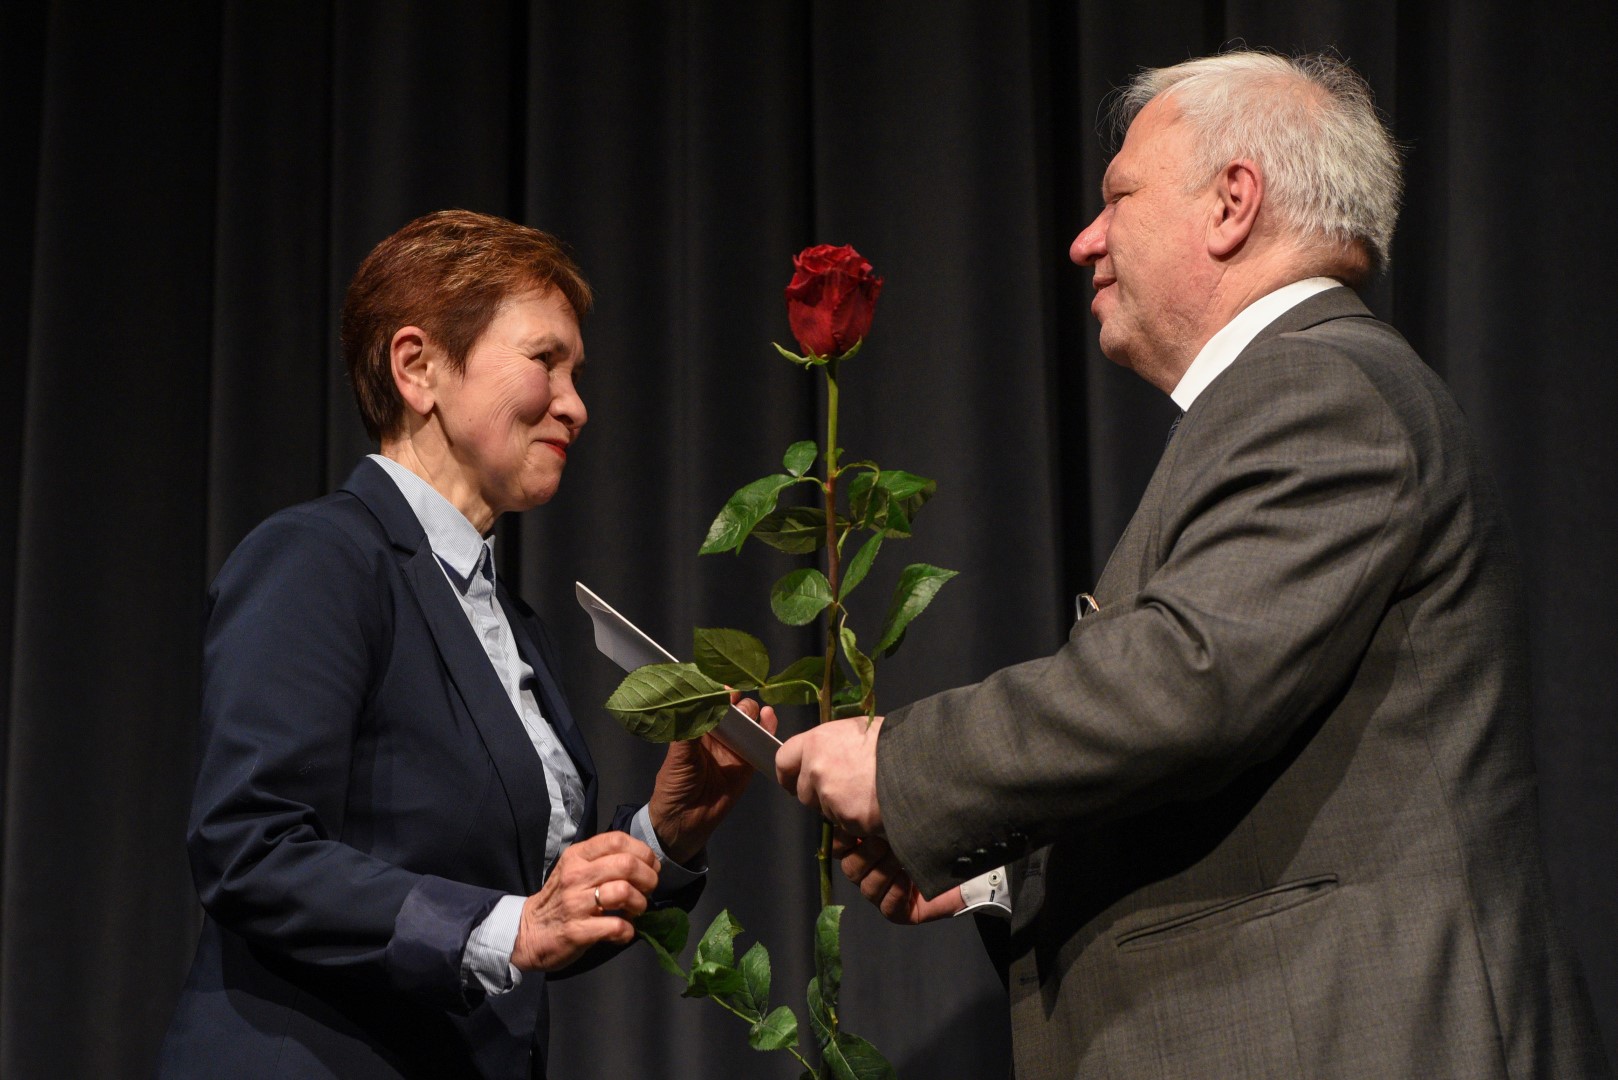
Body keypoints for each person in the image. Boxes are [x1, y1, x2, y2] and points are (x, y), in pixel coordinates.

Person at [775, 51, 1611, 1078]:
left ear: (1231, 203)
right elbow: (1266, 785)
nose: (1084, 240)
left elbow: (1188, 677)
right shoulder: (1314, 385)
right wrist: (1000, 873)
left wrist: (901, 763)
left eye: (1118, 196)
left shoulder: (1318, 387)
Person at [157, 210, 769, 1079]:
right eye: (546, 360)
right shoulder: (319, 558)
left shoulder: (512, 623)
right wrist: (514, 927)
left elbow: (530, 913)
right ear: (418, 368)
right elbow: (249, 847)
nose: (577, 405)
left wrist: (666, 836)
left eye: (577, 373)